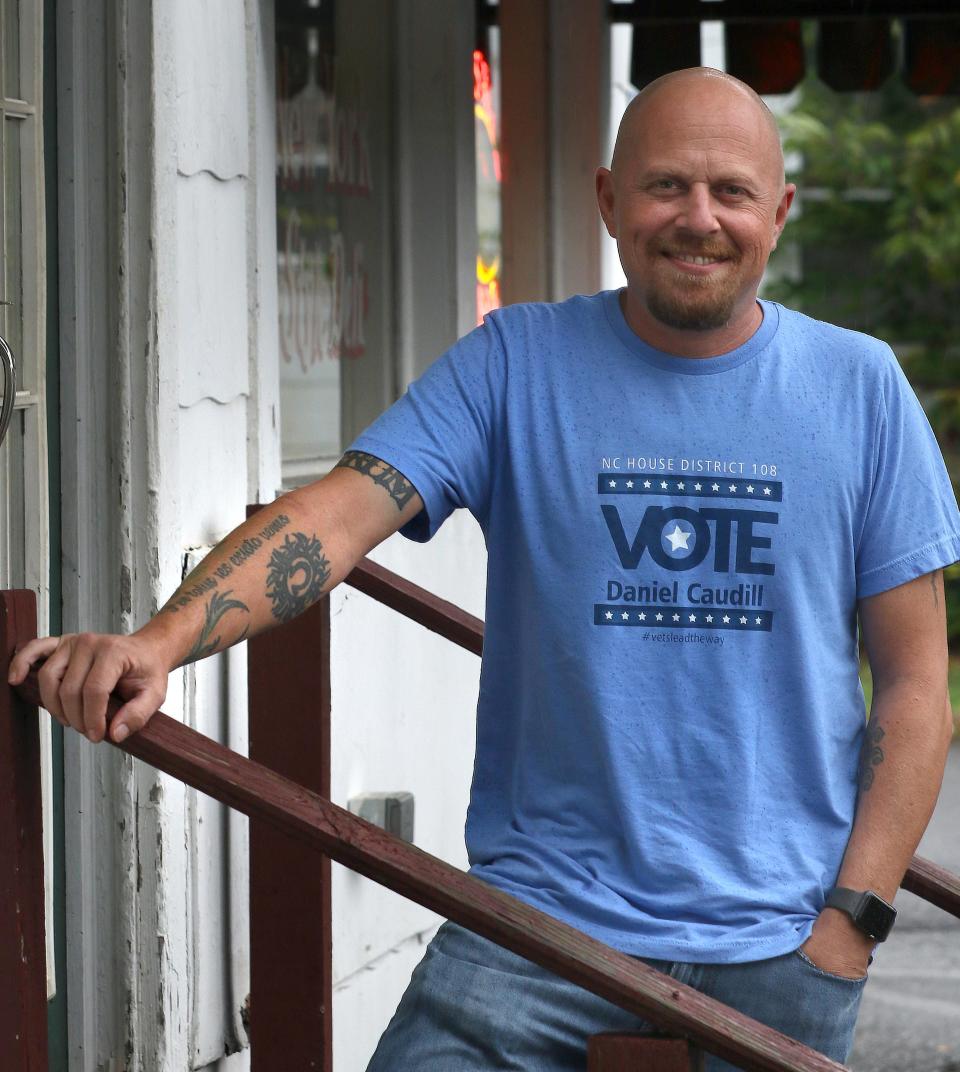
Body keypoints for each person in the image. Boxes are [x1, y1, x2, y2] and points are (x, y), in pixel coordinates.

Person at [10, 67, 960, 1071]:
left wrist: (850, 924)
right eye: (665, 185)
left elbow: (914, 684)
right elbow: (333, 519)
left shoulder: (859, 388)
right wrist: (157, 644)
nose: (698, 218)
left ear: (779, 209)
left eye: (730, 191)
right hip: (535, 931)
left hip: (782, 942)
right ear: (607, 199)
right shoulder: (516, 362)